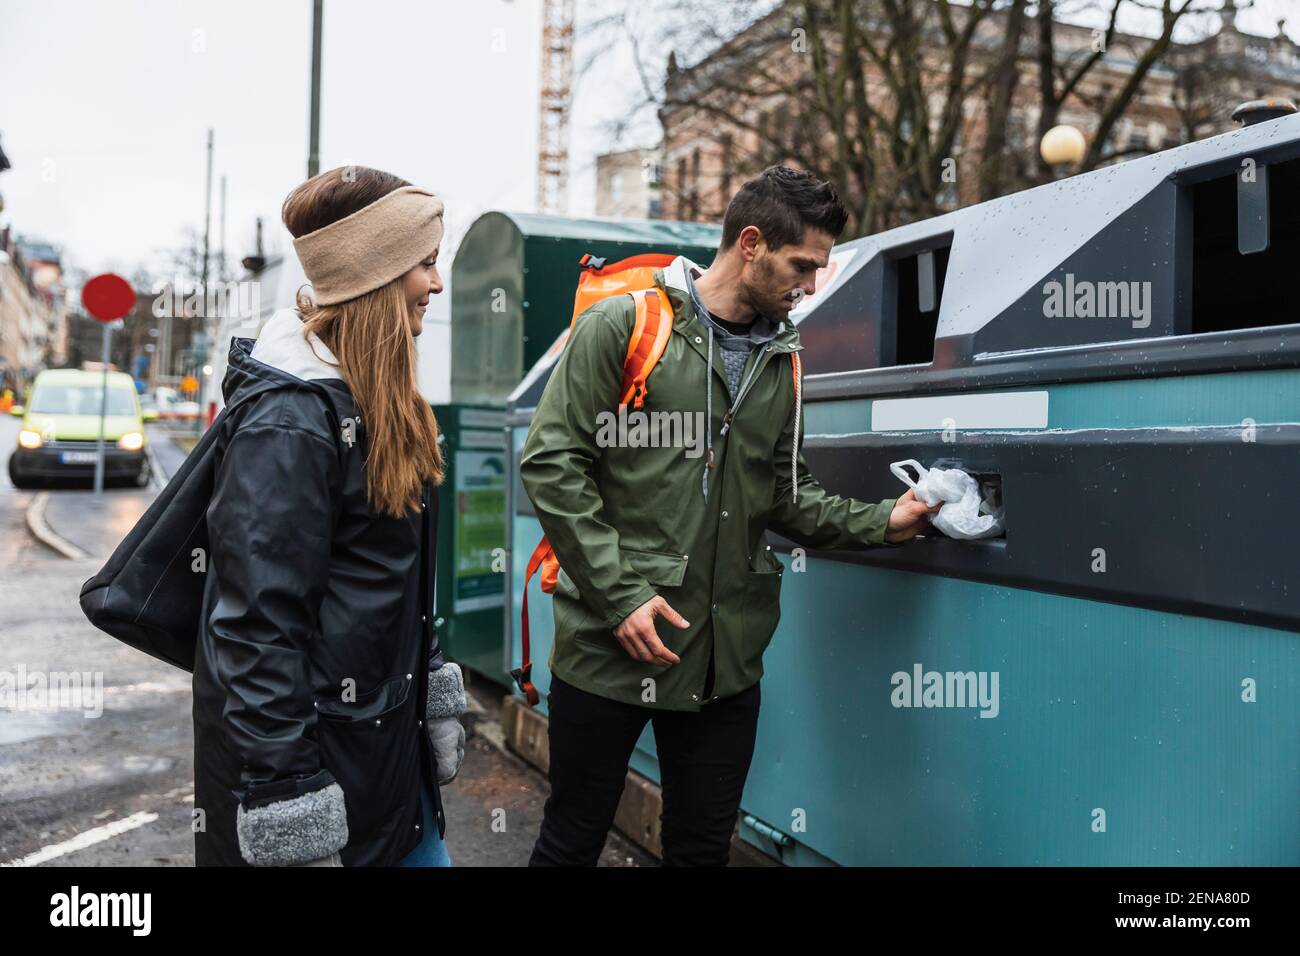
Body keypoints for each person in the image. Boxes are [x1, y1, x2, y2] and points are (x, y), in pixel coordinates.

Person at [520, 165, 941, 866]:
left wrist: (882, 523)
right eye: (801, 265)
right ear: (750, 242)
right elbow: (552, 464)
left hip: (723, 662)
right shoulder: (626, 324)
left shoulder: (785, 358)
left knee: (702, 849)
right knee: (572, 840)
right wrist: (621, 596)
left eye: (818, 270)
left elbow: (784, 495)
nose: (809, 287)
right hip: (605, 649)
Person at [192, 166, 465, 867]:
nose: (438, 285)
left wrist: (430, 688)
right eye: (426, 264)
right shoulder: (291, 420)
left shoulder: (376, 402)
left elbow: (391, 581)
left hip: (387, 773)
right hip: (325, 785)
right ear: (374, 274)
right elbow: (256, 631)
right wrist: (291, 802)